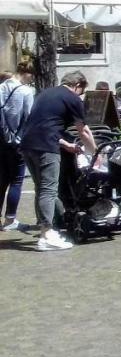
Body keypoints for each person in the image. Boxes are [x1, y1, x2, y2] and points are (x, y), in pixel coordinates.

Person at [18, 71, 97, 251]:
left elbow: (43, 124)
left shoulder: (45, 94)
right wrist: (95, 152)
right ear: (78, 85)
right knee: (49, 190)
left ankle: (47, 226)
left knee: (41, 188)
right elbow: (83, 131)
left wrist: (65, 144)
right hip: (46, 147)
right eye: (81, 91)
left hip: (28, 144)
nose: (81, 96)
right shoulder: (72, 98)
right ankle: (47, 233)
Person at [0, 63, 37, 232]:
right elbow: (30, 117)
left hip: (1, 140)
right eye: (32, 76)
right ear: (27, 74)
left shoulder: (1, 87)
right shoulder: (26, 92)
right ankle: (10, 219)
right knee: (16, 181)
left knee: (1, 180)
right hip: (17, 142)